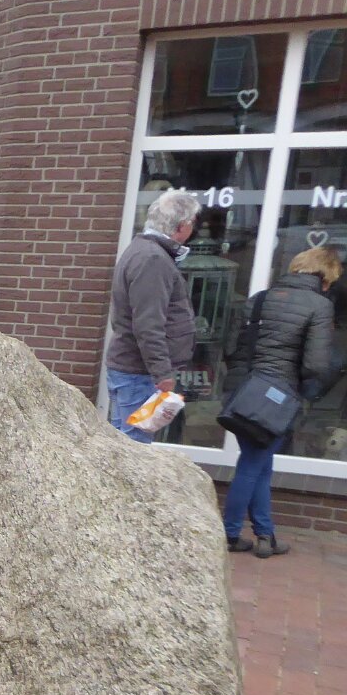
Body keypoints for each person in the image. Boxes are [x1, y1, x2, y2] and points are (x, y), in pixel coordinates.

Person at [221, 245, 344, 557]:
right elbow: (316, 365)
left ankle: (265, 535)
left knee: (260, 464)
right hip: (276, 398)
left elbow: (231, 346)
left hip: (242, 392)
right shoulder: (320, 306)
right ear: (324, 278)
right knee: (252, 465)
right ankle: (229, 534)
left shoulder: (260, 298)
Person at [105, 190, 200, 443]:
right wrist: (162, 372)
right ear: (182, 226)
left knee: (121, 445)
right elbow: (148, 324)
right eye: (192, 223)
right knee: (133, 448)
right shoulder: (153, 259)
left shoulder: (144, 251)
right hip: (139, 372)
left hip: (133, 368)